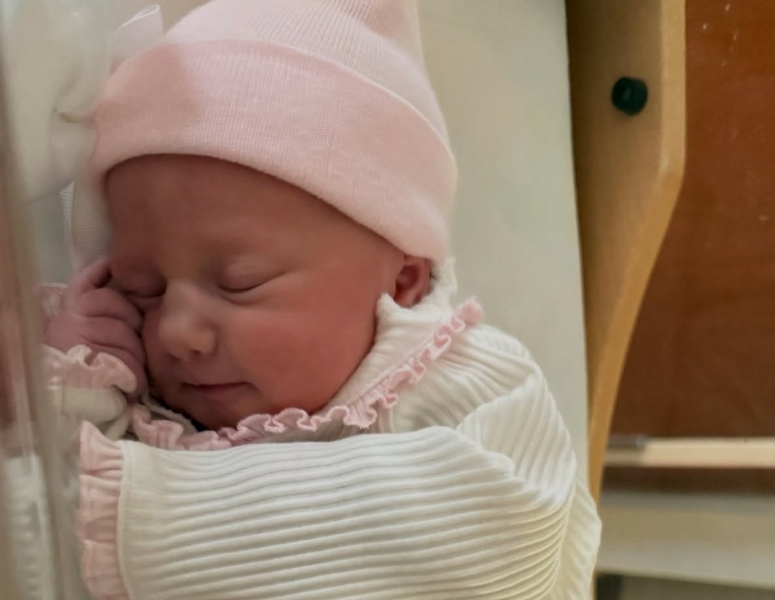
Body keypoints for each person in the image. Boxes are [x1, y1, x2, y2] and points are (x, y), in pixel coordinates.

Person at [41, 1, 600, 598]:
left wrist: (142, 509)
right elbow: (42, 523)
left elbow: (505, 533)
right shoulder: (146, 404)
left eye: (240, 281)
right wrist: (72, 383)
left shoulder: (470, 384)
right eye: (141, 288)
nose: (175, 331)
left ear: (403, 281)